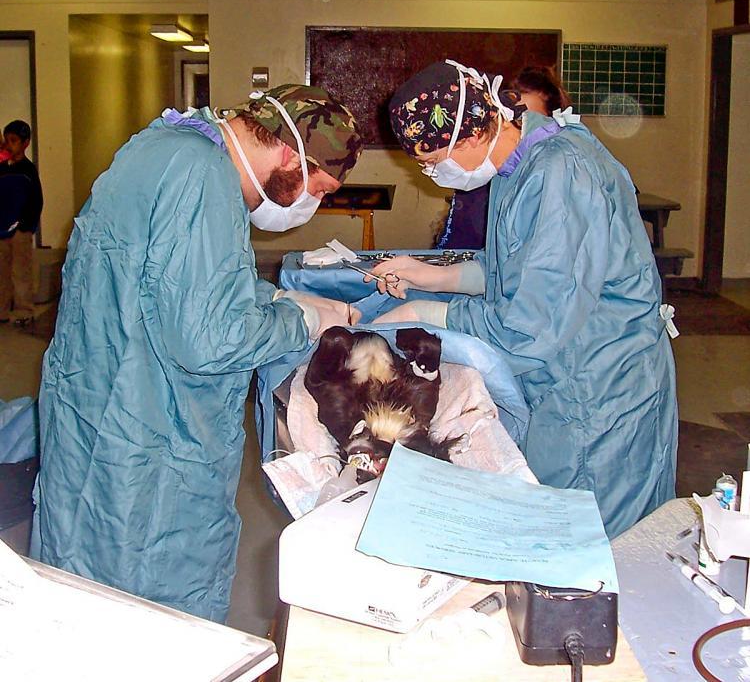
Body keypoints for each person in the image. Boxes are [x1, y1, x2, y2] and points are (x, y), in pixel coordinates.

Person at [32, 86, 363, 622]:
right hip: (150, 445)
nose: (311, 204)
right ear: (288, 155)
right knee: (153, 616)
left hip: (93, 413)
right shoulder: (204, 179)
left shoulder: (164, 146)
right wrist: (300, 320)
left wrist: (272, 296)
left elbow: (168, 278)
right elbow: (210, 339)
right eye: (316, 188)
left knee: (81, 594)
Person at [369, 60, 678, 537]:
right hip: (567, 378)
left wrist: (426, 314)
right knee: (553, 519)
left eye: (433, 159)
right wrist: (431, 277)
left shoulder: (563, 171)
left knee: (595, 548)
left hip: (602, 390)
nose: (432, 172)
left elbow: (528, 327)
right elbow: (520, 269)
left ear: (472, 133)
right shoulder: (519, 165)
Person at [434, 65, 571, 250]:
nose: (518, 129)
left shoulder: (554, 177)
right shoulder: (479, 176)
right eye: (513, 119)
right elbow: (453, 244)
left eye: (527, 121)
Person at [0, 120, 43, 324]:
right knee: (2, 271)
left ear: (25, 143)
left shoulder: (28, 170)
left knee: (21, 270)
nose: (9, 145)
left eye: (14, 141)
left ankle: (24, 309)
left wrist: (26, 226)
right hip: (2, 229)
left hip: (20, 231)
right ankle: (2, 309)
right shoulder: (2, 170)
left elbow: (36, 201)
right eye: (6, 140)